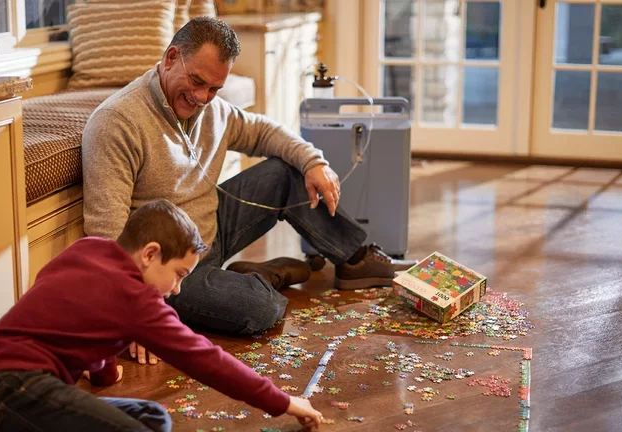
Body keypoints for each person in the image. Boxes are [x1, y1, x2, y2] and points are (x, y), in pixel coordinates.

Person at [81, 17, 415, 352]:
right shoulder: (116, 123)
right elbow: (105, 235)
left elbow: (264, 131)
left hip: (213, 229)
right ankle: (262, 280)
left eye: (213, 89)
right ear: (170, 58)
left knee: (286, 170)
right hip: (170, 267)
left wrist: (314, 162)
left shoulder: (212, 109)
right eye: (196, 81)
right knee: (259, 309)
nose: (201, 97)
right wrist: (135, 310)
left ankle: (354, 258)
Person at [0, 200, 324, 432]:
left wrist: (103, 369)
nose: (178, 289)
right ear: (150, 254)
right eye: (179, 274)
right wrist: (284, 401)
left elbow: (63, 302)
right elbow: (204, 359)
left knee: (152, 419)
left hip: (0, 389)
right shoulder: (134, 297)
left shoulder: (90, 248)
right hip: (10, 392)